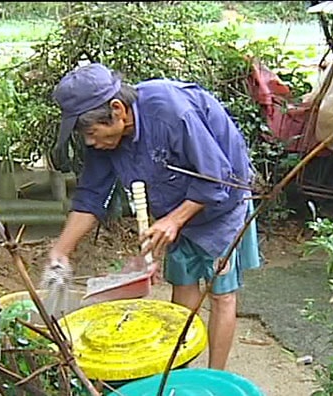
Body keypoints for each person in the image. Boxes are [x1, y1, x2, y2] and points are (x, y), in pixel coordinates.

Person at [47, 63, 261, 370]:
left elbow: (216, 177)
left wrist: (174, 220)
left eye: (93, 133)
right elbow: (91, 196)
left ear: (118, 110)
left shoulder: (172, 112)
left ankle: (216, 378)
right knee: (184, 285)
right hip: (173, 212)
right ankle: (178, 373)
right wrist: (61, 251)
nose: (91, 142)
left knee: (220, 294)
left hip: (220, 207)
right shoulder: (106, 139)